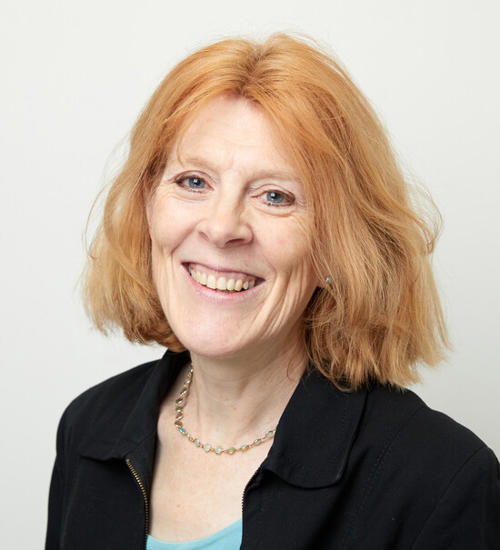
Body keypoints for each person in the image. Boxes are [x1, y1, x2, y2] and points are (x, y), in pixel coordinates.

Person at [45, 33, 500, 549]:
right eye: (194, 182)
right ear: (148, 206)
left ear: (336, 244)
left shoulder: (439, 480)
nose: (221, 228)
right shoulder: (88, 428)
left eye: (275, 196)